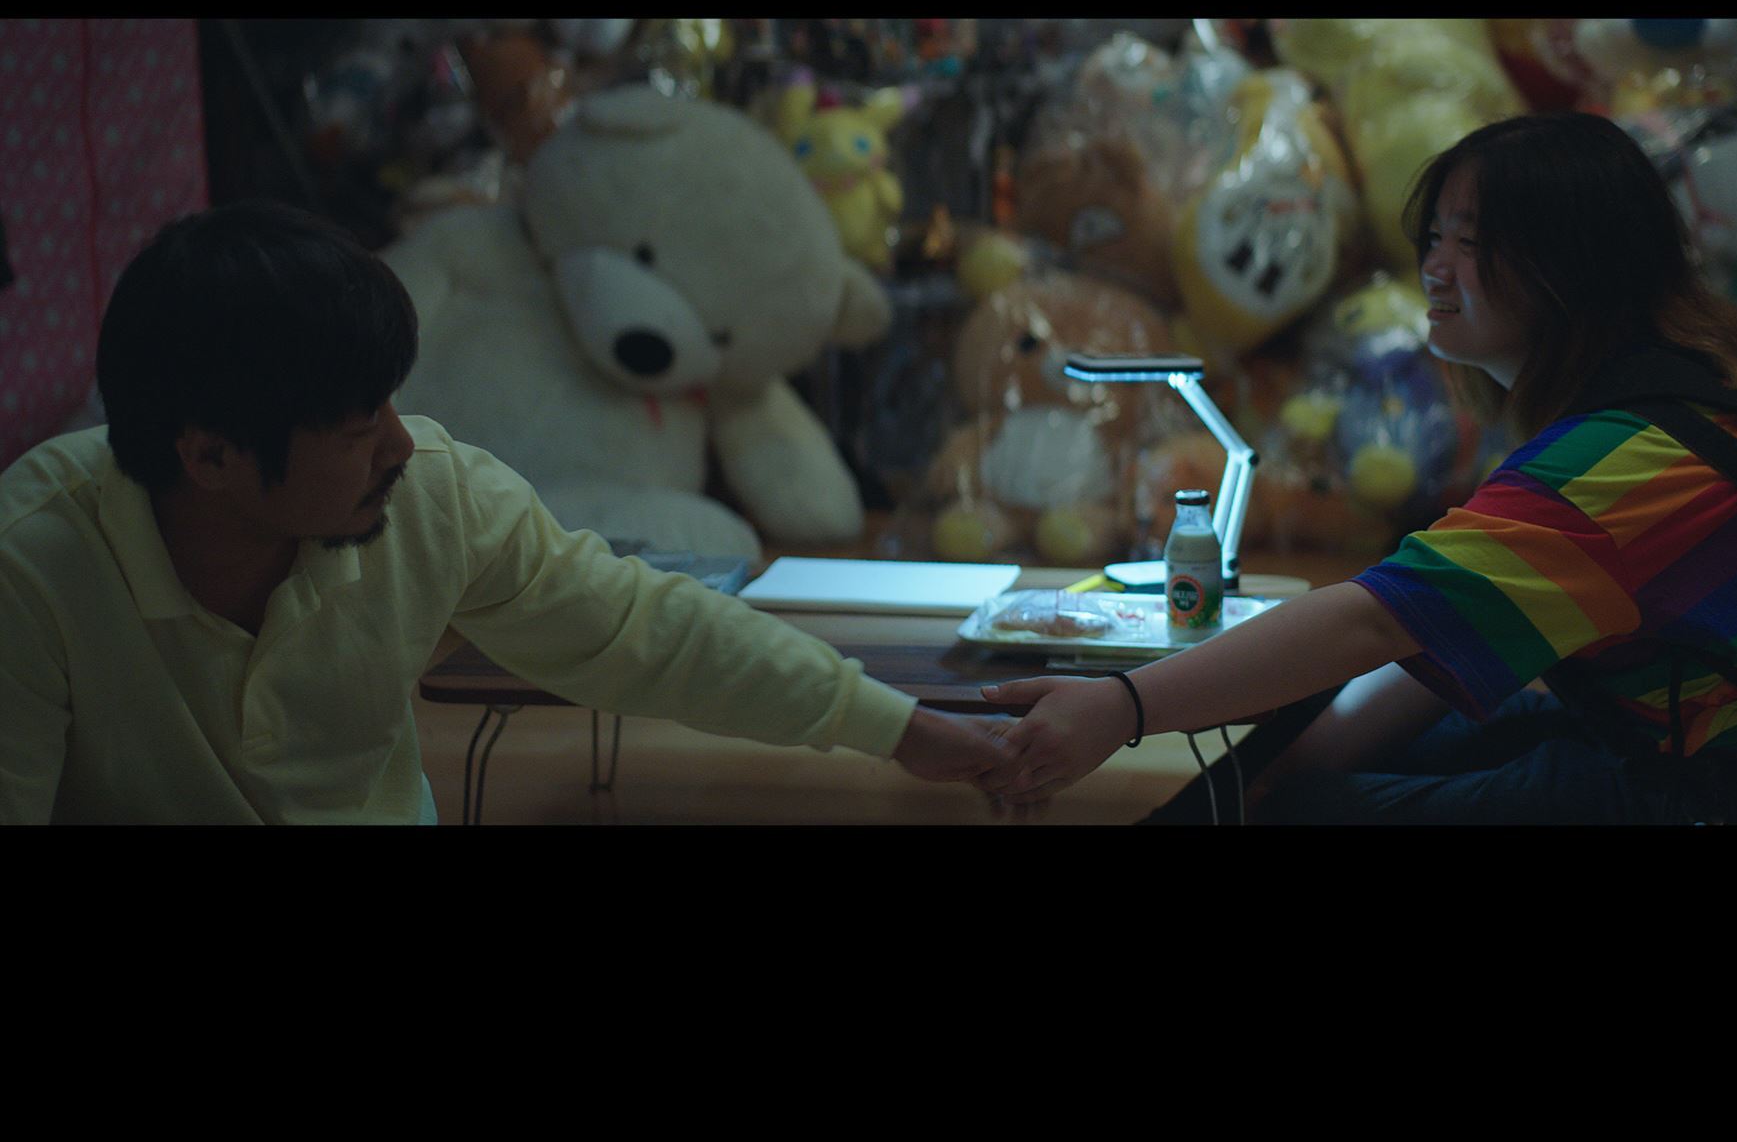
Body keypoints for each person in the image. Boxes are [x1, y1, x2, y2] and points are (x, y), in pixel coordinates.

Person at [977, 112, 1737, 824]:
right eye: (1436, 237)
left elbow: (1372, 622)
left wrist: (1123, 709)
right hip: (1707, 743)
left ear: (1571, 264)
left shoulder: (1617, 466)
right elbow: (1427, 630)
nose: (1436, 270)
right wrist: (1261, 770)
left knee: (1310, 811)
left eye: (1472, 242)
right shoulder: (1688, 387)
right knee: (1314, 771)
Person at [0, 200, 1010, 825]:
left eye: (392, 404)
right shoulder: (32, 566)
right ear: (210, 454)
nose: (400, 445)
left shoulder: (433, 494)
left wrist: (900, 728)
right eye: (355, 428)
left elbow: (646, 631)